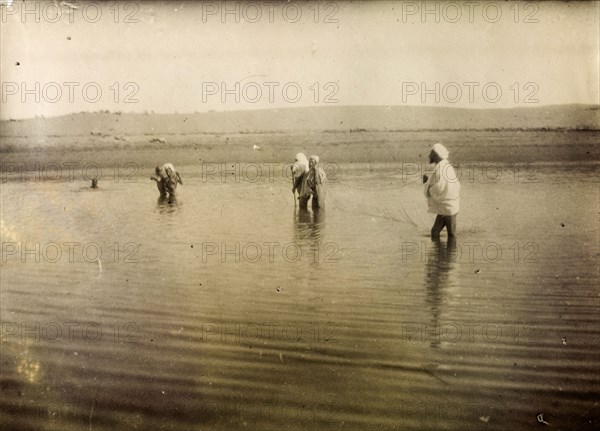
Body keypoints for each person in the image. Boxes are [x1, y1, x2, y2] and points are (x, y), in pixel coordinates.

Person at [422, 143, 460, 238]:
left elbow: (439, 188)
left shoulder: (441, 168)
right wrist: (428, 182)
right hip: (446, 207)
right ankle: (443, 252)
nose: (429, 156)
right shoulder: (444, 166)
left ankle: (450, 252)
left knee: (451, 235)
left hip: (448, 207)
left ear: (436, 155)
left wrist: (427, 183)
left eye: (431, 153)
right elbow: (442, 185)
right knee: (435, 232)